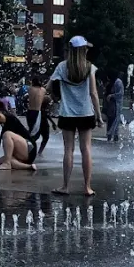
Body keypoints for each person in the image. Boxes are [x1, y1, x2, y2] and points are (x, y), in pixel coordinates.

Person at [48, 36, 102, 196]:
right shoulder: (89, 67)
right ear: (83, 50)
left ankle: (65, 186)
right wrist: (98, 116)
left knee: (68, 150)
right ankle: (87, 187)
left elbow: (49, 86)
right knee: (86, 150)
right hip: (86, 113)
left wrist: (56, 98)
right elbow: (93, 93)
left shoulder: (62, 67)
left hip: (67, 113)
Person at [0, 100, 38, 172]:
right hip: (25, 153)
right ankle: (29, 167)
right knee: (0, 161)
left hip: (29, 147)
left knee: (7, 134)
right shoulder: (6, 121)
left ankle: (7, 163)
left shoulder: (8, 117)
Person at [105, 73, 125, 142]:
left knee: (116, 119)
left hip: (117, 103)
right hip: (115, 103)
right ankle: (113, 134)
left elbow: (121, 93)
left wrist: (112, 95)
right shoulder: (116, 82)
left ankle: (112, 134)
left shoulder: (118, 82)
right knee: (114, 119)